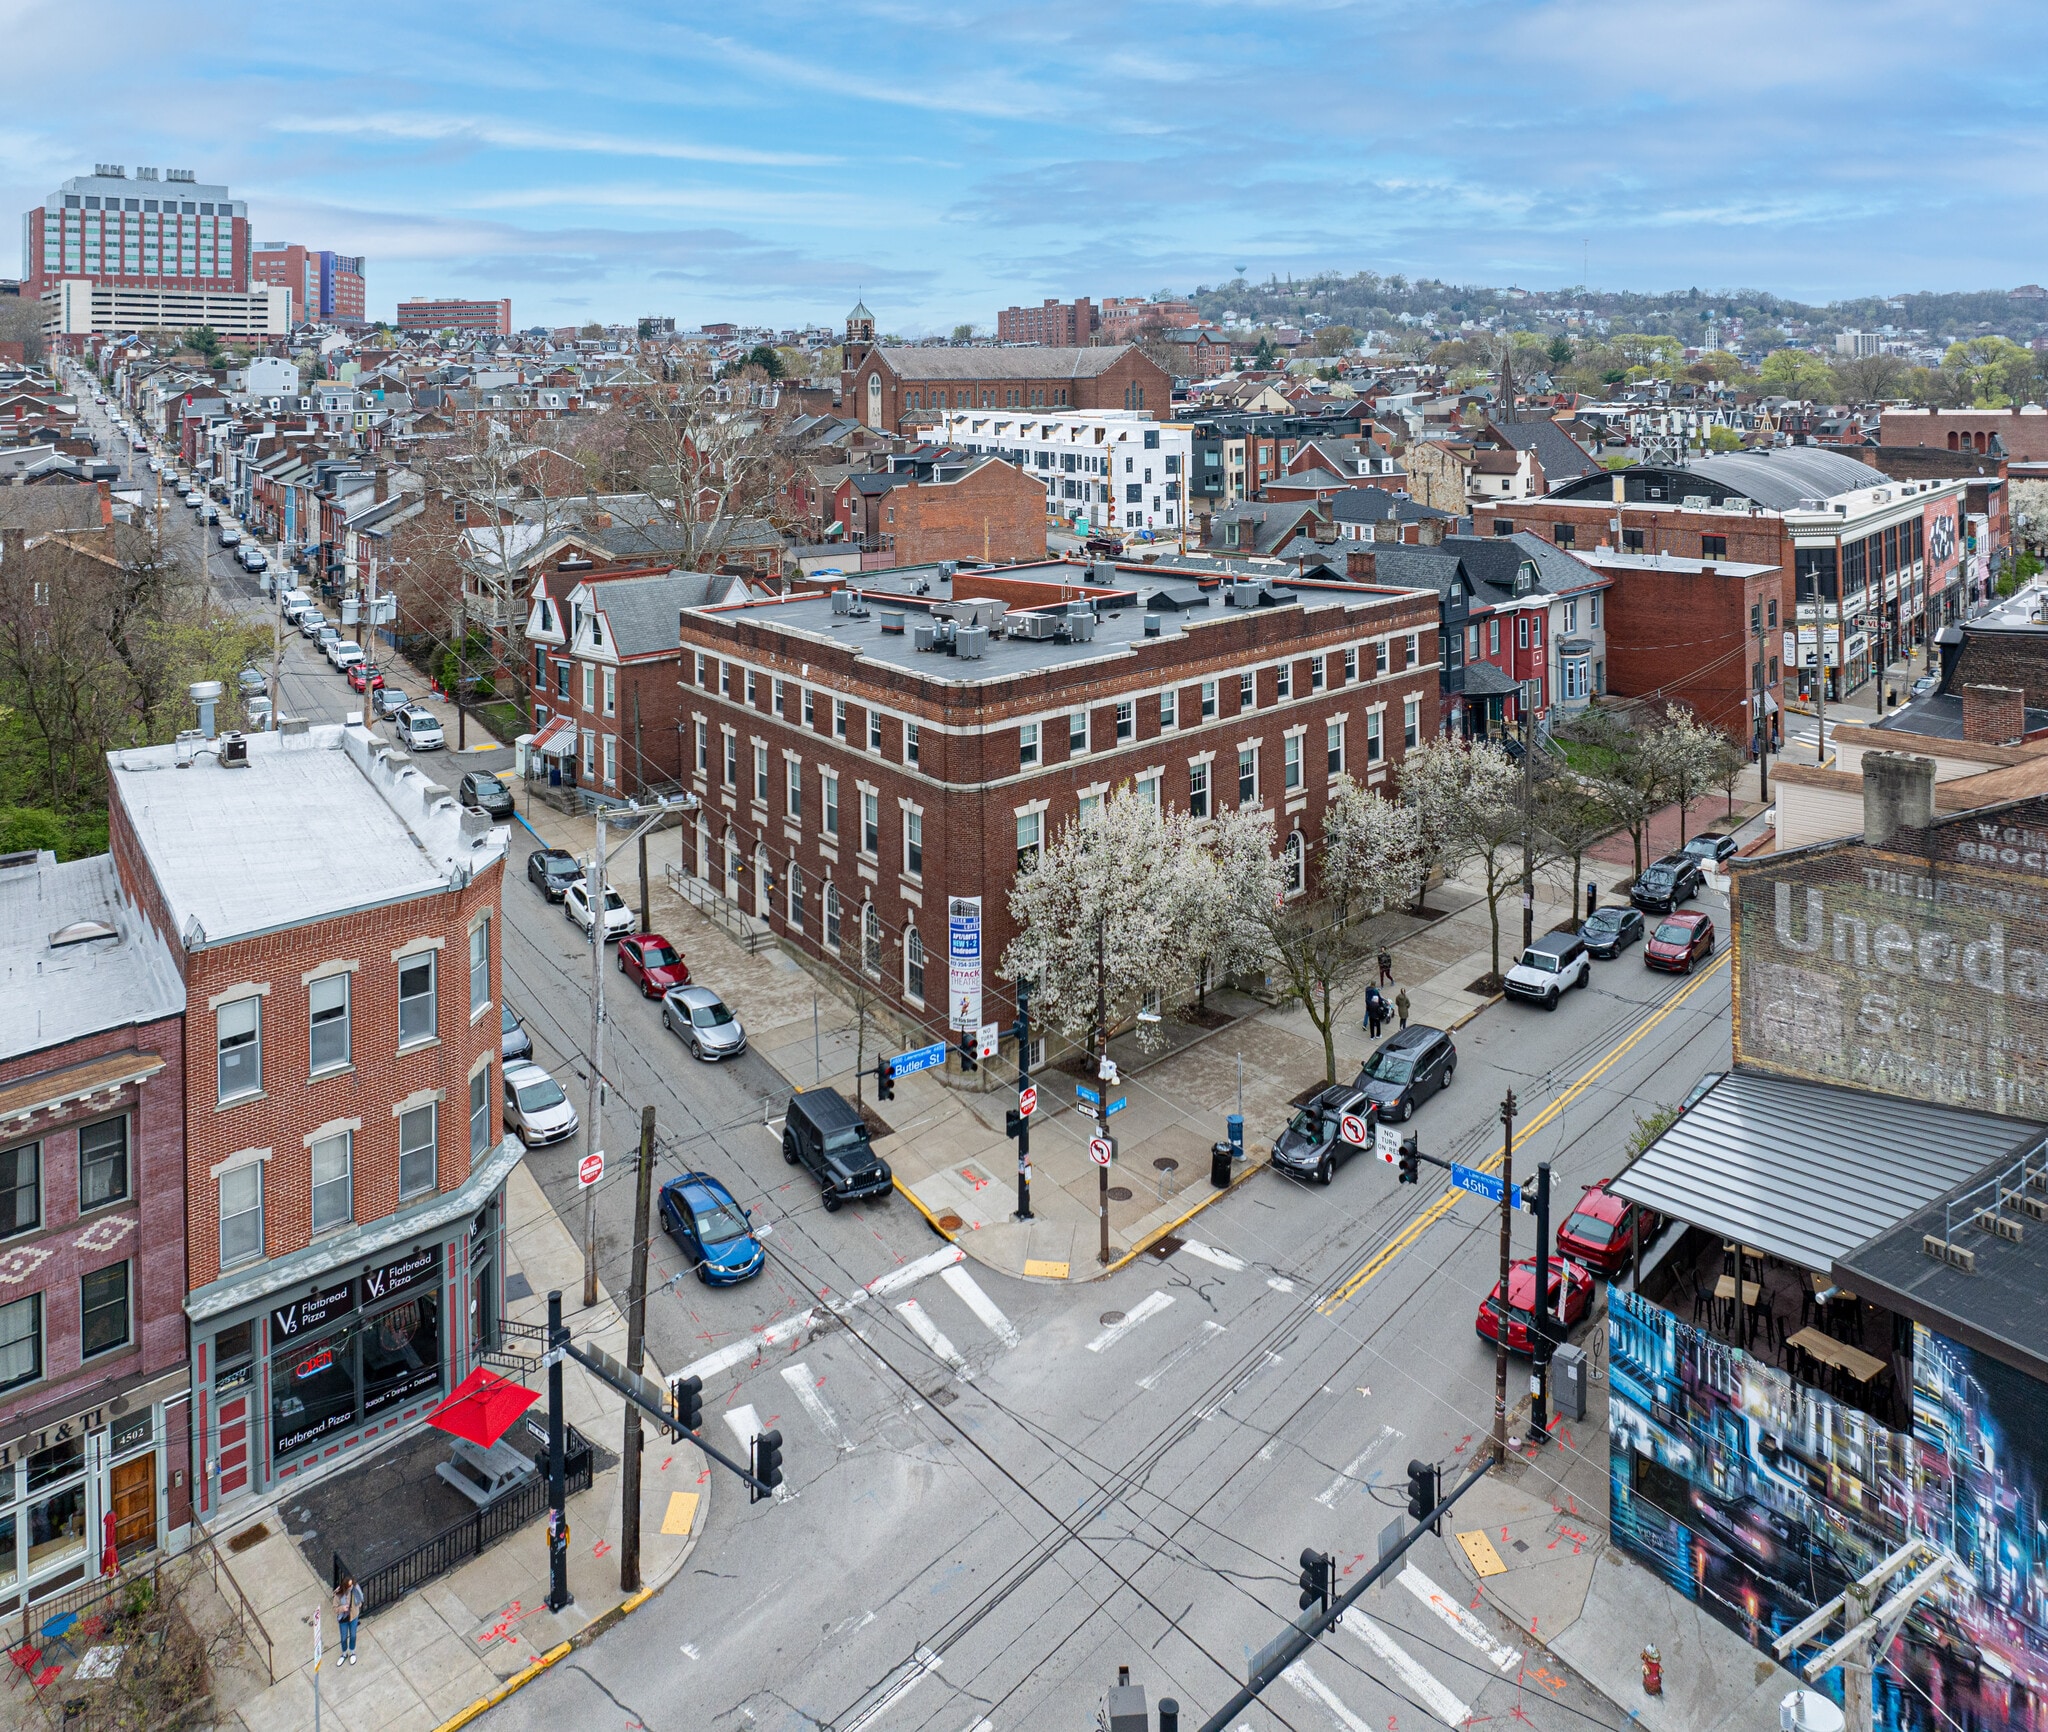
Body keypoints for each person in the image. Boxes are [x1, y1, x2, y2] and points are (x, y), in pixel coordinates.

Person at [335, 1574, 363, 1664]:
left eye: (352, 1584)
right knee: (343, 1638)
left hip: (353, 1616)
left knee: (353, 1635)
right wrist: (342, 1608)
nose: (351, 1586)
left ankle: (352, 1652)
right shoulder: (339, 1594)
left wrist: (358, 1605)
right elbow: (334, 1608)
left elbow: (360, 1597)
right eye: (349, 1585)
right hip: (343, 1618)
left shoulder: (355, 1589)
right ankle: (344, 1654)